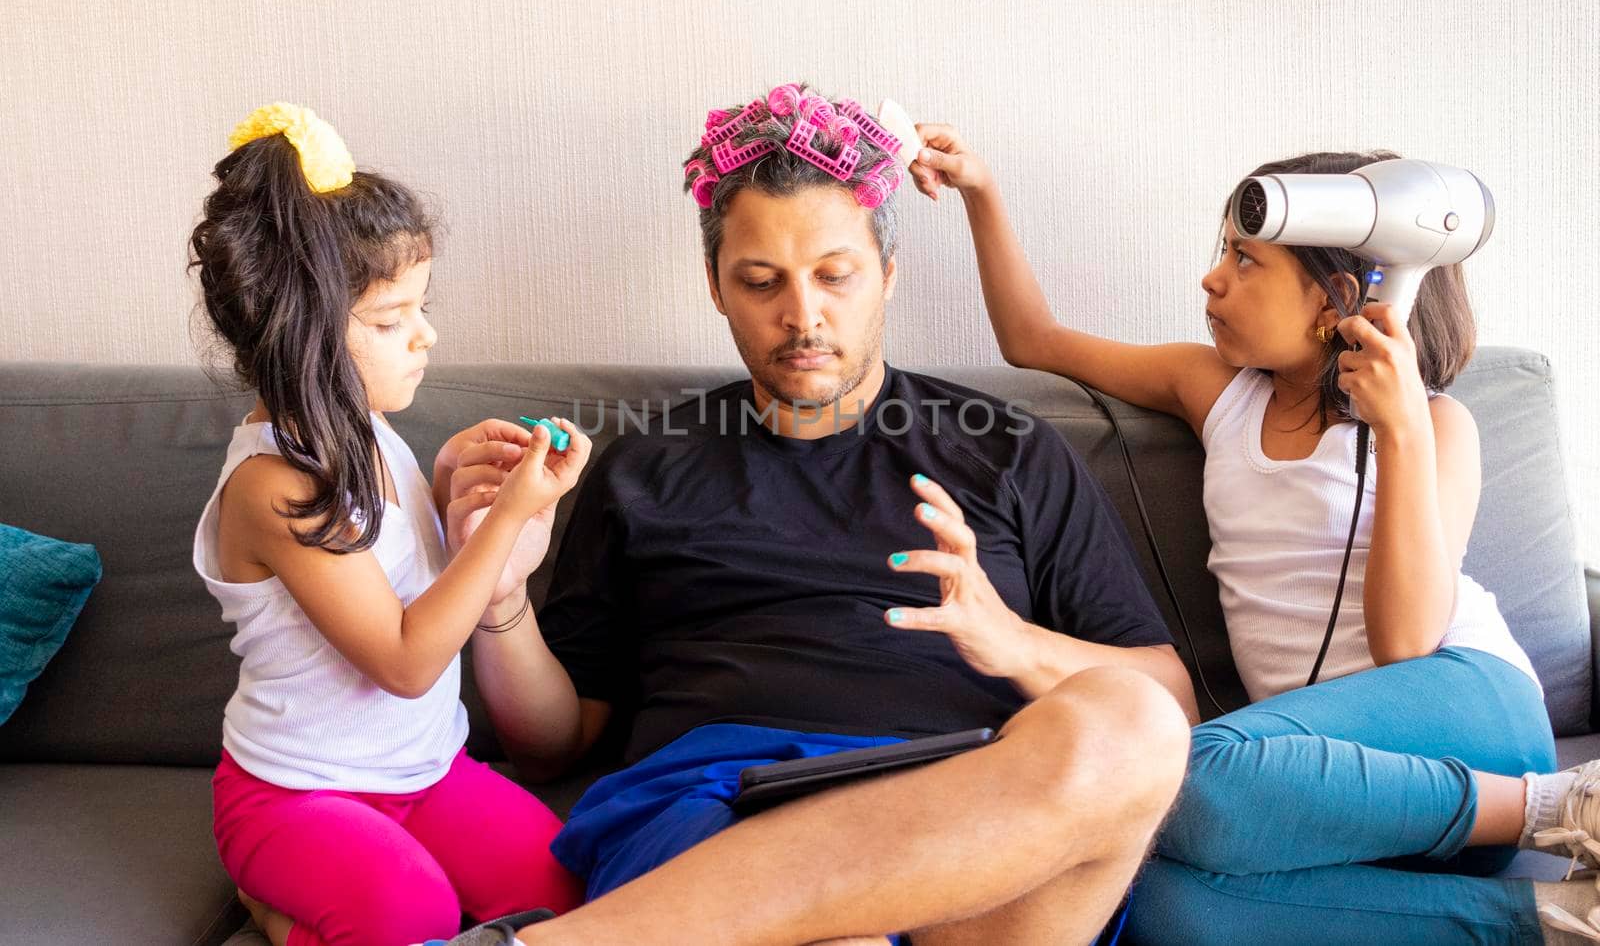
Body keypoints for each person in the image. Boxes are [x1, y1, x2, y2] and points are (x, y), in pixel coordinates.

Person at [439, 83, 1194, 945]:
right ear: (717, 286)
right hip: (720, 804)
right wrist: (498, 600)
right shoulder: (646, 468)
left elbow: (1169, 698)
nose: (804, 315)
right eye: (762, 282)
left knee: (1133, 728)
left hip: (967, 814)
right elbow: (555, 745)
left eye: (835, 276)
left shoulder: (1009, 451)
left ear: (888, 276)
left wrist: (1011, 642)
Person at [911, 127, 1600, 944]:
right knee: (1145, 900)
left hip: (1471, 716)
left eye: (1246, 261)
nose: (1213, 279)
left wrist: (1403, 431)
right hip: (1323, 798)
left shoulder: (1441, 427)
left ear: (1334, 296)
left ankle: (1565, 803)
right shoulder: (1214, 391)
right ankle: (1552, 921)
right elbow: (1034, 340)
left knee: (1176, 773)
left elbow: (1407, 640)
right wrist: (982, 193)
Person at [190, 103, 589, 946]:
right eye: (389, 319)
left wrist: (448, 487)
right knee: (415, 914)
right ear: (299, 331)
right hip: (296, 793)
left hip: (424, 772)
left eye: (421, 306)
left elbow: (401, 569)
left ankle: (378, 861)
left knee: (566, 885)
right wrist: (506, 517)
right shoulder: (272, 485)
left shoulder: (365, 426)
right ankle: (270, 901)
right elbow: (407, 661)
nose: (425, 336)